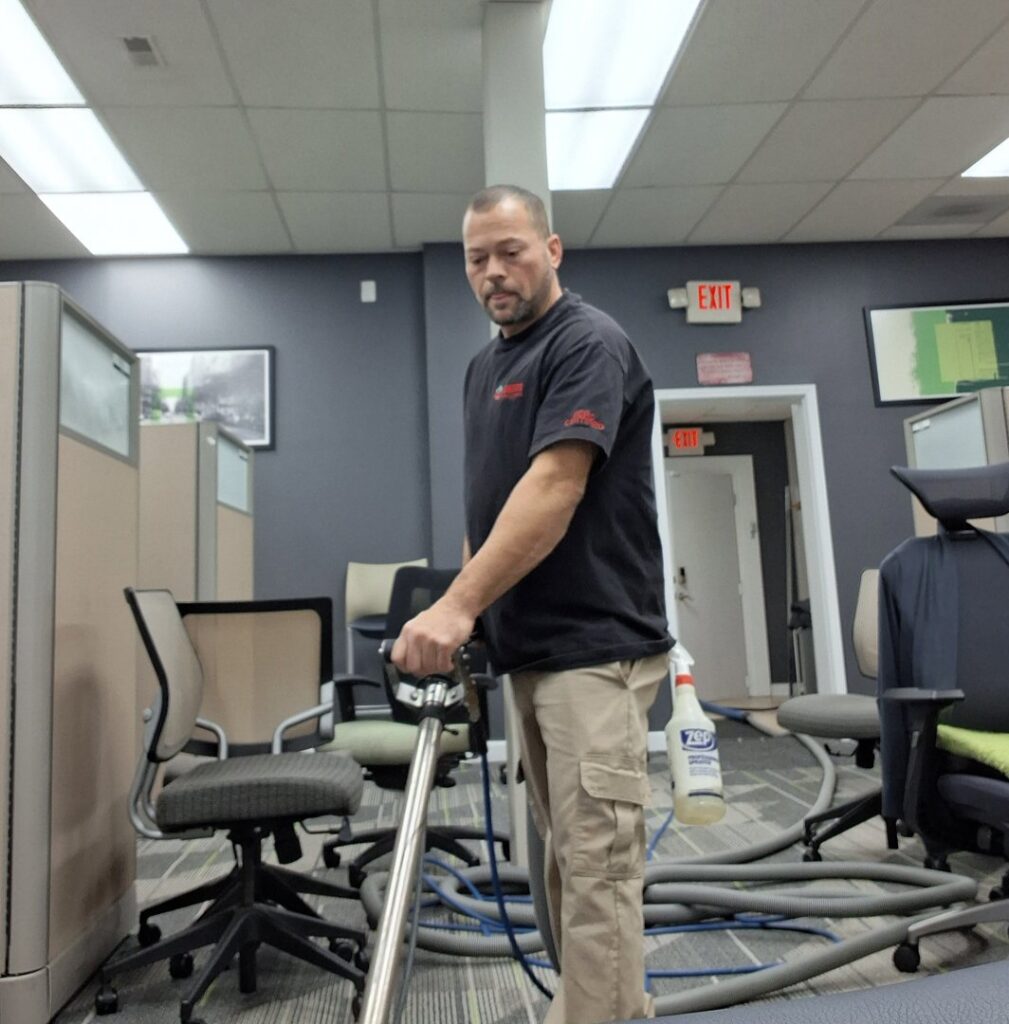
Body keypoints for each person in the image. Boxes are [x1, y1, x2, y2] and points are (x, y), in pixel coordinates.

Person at [391, 183, 672, 1024]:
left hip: (596, 646)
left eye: (510, 250)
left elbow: (553, 486)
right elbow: (495, 507)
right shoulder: (486, 366)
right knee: (562, 862)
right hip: (533, 650)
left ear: (552, 250)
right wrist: (473, 611)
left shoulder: (585, 342)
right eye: (477, 258)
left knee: (596, 866)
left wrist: (453, 606)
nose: (492, 271)